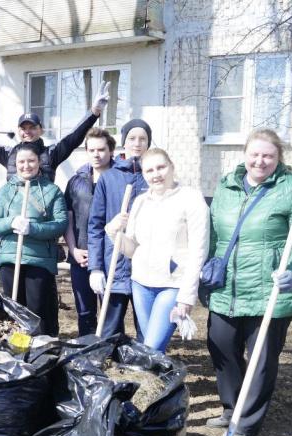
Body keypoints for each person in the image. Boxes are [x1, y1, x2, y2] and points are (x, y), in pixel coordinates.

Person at [204, 128, 292, 436]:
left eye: (268, 155)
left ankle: (248, 421)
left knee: (261, 357)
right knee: (220, 344)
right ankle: (231, 408)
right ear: (245, 154)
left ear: (278, 157)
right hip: (227, 285)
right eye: (255, 154)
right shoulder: (227, 186)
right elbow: (213, 232)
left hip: (271, 288)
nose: (260, 161)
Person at [104, 148, 209, 352]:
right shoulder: (141, 202)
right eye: (149, 170)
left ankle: (151, 382)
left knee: (151, 347)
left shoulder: (191, 198)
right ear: (144, 174)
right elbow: (132, 250)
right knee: (150, 348)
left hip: (173, 284)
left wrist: (187, 296)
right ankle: (162, 382)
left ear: (172, 167)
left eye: (161, 167)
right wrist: (113, 232)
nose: (156, 174)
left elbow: (199, 251)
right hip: (141, 283)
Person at [0, 83, 110, 182]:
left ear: (41, 130)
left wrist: (94, 112)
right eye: (23, 128)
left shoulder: (51, 153)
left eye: (32, 128)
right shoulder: (9, 154)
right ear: (18, 131)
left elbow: (74, 137)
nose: (28, 132)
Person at [0, 143, 67, 336]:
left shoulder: (52, 190)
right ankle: (17, 347)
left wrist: (32, 228)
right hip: (10, 257)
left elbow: (60, 223)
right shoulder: (6, 190)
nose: (26, 165)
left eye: (31, 160)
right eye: (21, 162)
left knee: (36, 308)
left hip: (39, 260)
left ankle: (38, 348)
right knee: (14, 308)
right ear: (15, 164)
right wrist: (11, 222)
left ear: (39, 162)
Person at [87, 118, 152, 338]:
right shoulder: (110, 177)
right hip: (112, 261)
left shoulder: (154, 178)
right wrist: (95, 267)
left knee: (146, 325)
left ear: (148, 143)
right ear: (124, 142)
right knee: (109, 327)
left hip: (145, 264)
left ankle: (146, 362)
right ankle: (106, 359)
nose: (137, 143)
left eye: (143, 139)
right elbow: (95, 225)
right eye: (132, 138)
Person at [64, 127, 116, 336]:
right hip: (81, 257)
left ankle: (110, 347)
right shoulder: (76, 182)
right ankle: (87, 349)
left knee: (110, 310)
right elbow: (69, 218)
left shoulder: (119, 180)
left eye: (101, 149)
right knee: (85, 311)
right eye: (91, 149)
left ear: (111, 150)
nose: (96, 154)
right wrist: (73, 249)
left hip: (110, 257)